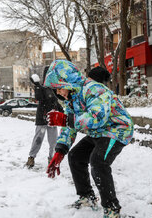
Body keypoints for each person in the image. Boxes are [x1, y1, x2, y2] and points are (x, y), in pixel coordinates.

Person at [44, 60, 133, 218]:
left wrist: (66, 119)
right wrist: (60, 151)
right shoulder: (72, 98)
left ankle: (112, 209)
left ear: (67, 80)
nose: (58, 93)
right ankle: (87, 197)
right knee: (75, 156)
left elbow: (98, 117)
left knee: (98, 162)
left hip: (117, 130)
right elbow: (69, 126)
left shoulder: (93, 89)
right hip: (98, 132)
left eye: (58, 88)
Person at [25, 66, 64, 168]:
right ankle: (31, 158)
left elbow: (55, 102)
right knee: (38, 139)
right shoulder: (41, 87)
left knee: (53, 141)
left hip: (52, 119)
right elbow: (38, 98)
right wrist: (37, 85)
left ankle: (51, 159)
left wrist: (61, 110)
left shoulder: (54, 89)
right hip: (42, 118)